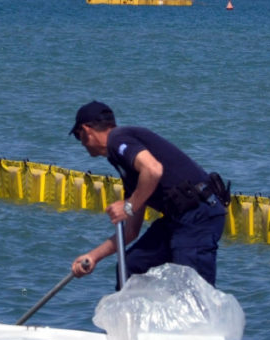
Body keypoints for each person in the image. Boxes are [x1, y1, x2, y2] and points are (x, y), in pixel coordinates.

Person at [67, 100, 230, 288]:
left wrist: (128, 206)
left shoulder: (118, 138)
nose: (82, 145)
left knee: (191, 291)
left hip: (198, 217)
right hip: (176, 220)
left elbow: (153, 170)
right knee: (130, 267)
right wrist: (93, 257)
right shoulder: (126, 167)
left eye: (79, 138)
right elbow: (130, 232)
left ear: (86, 130)